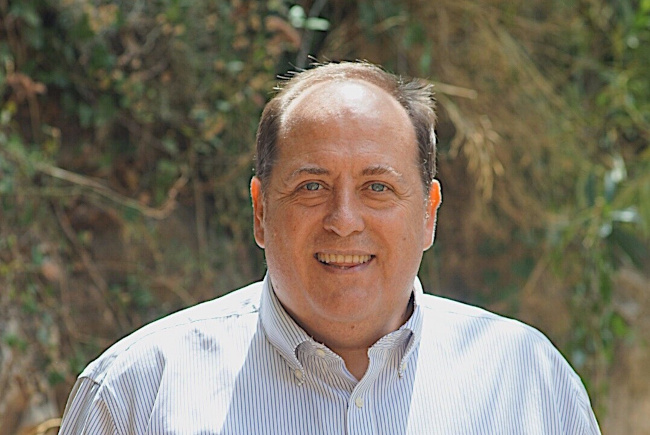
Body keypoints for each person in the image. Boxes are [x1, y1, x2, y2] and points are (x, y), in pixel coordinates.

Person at [59, 61, 601, 434]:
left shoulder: (529, 383)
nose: (344, 221)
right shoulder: (138, 394)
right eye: (312, 187)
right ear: (261, 211)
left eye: (377, 188)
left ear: (430, 213)